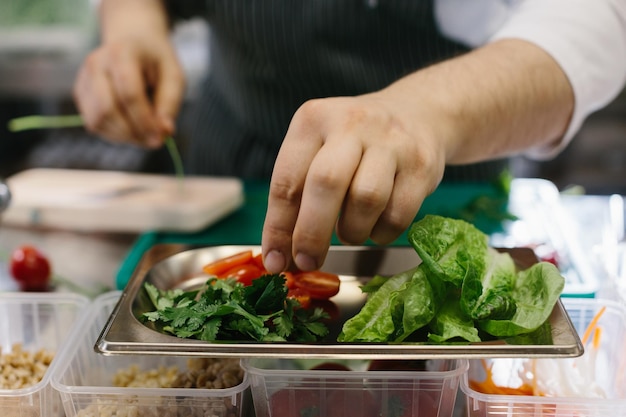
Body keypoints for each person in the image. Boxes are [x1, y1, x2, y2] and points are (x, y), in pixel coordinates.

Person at [73, 0, 626, 274]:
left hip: (444, 196)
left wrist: (425, 113)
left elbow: (592, 16)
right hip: (233, 178)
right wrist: (132, 24)